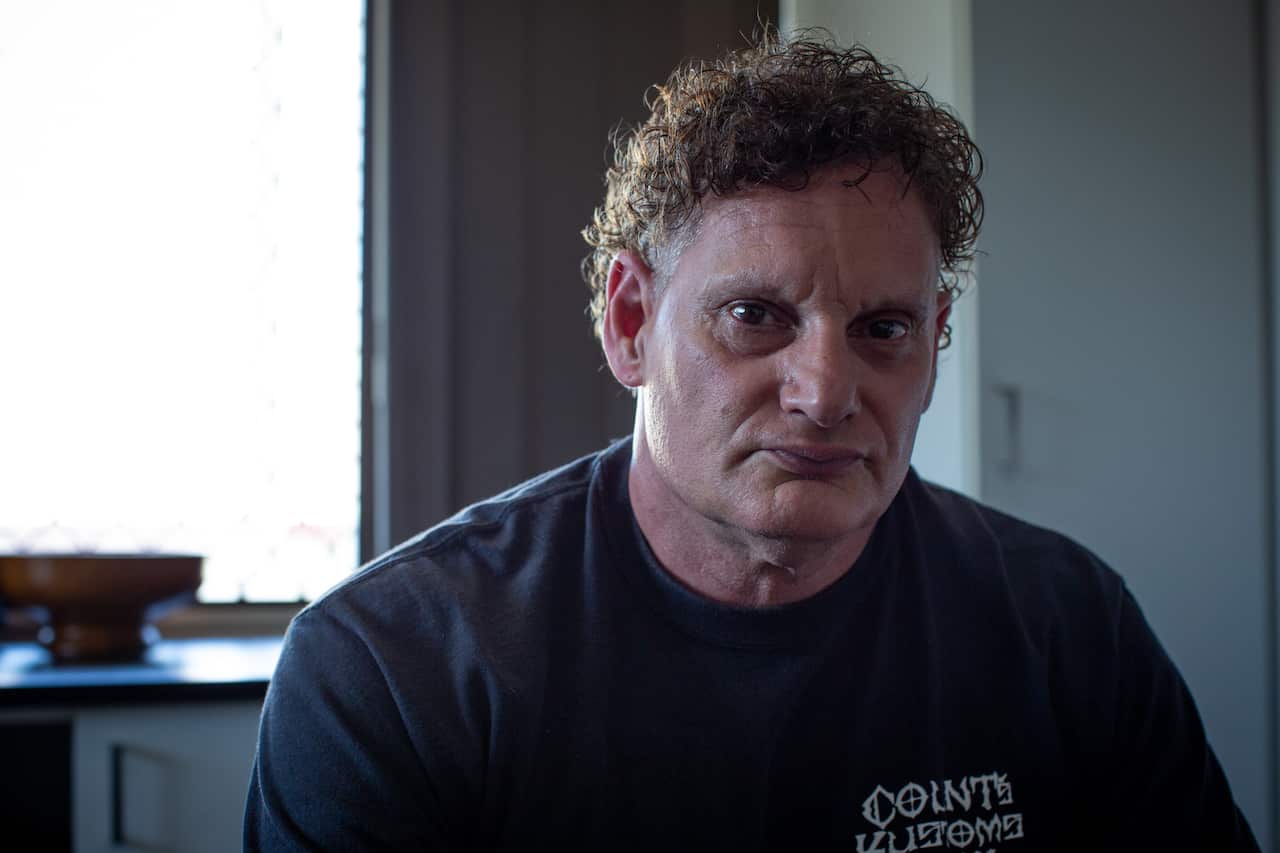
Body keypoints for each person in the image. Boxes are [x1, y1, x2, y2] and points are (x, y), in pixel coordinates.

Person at [245, 32, 1259, 851]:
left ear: (935, 336)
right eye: (753, 316)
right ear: (632, 321)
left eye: (882, 329)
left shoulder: (1066, 629)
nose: (823, 394)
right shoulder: (395, 666)